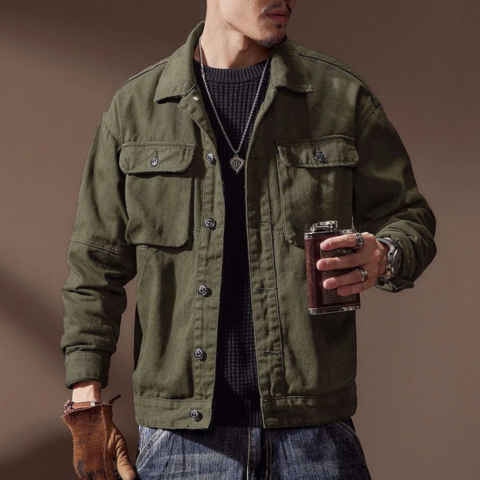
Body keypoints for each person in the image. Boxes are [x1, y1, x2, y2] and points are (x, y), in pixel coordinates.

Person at [60, 1, 437, 479]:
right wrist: (86, 404)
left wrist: (384, 254)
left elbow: (410, 217)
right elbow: (95, 267)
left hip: (315, 436)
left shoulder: (340, 97)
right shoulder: (136, 109)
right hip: (183, 443)